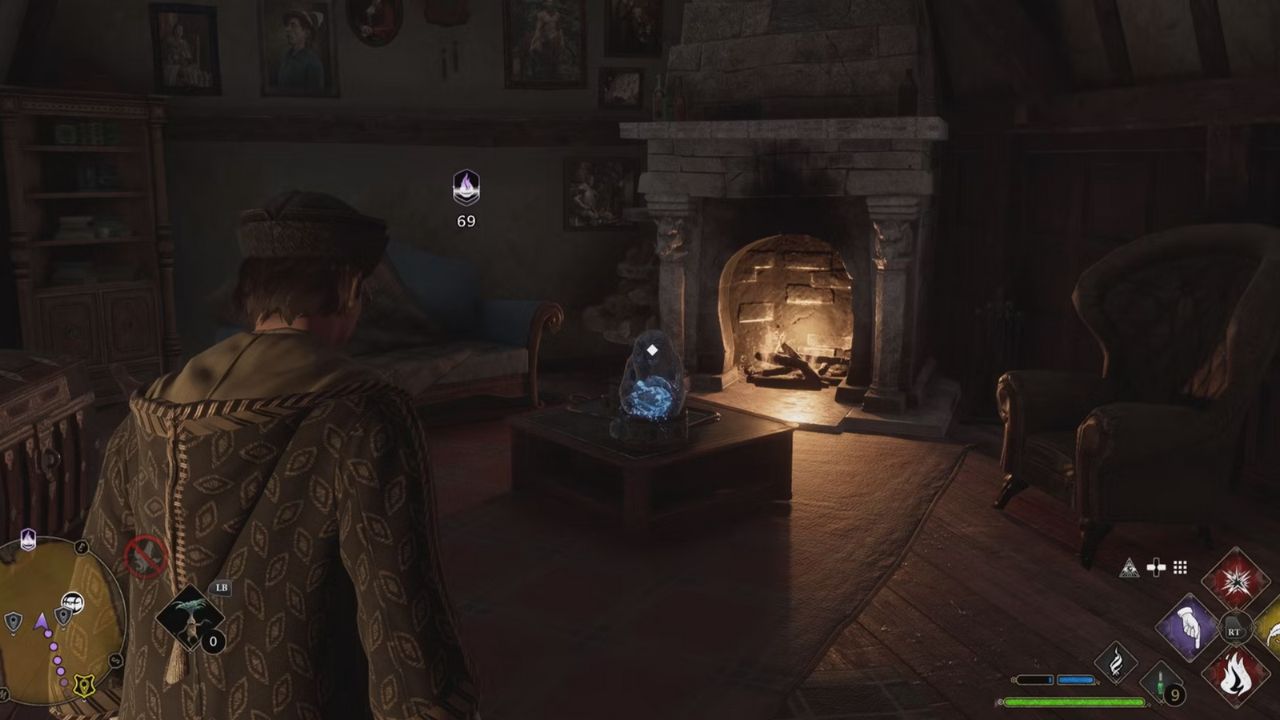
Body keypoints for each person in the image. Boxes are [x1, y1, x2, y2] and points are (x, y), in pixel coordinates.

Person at [82, 191, 481, 720]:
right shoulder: (364, 416)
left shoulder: (147, 413)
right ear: (348, 287)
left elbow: (98, 577)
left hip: (153, 701)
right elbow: (399, 609)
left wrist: (94, 696)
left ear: (252, 291)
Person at [278, 9, 325, 94]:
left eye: (293, 25)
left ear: (306, 33)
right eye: (287, 25)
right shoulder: (286, 56)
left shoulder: (313, 63)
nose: (287, 29)